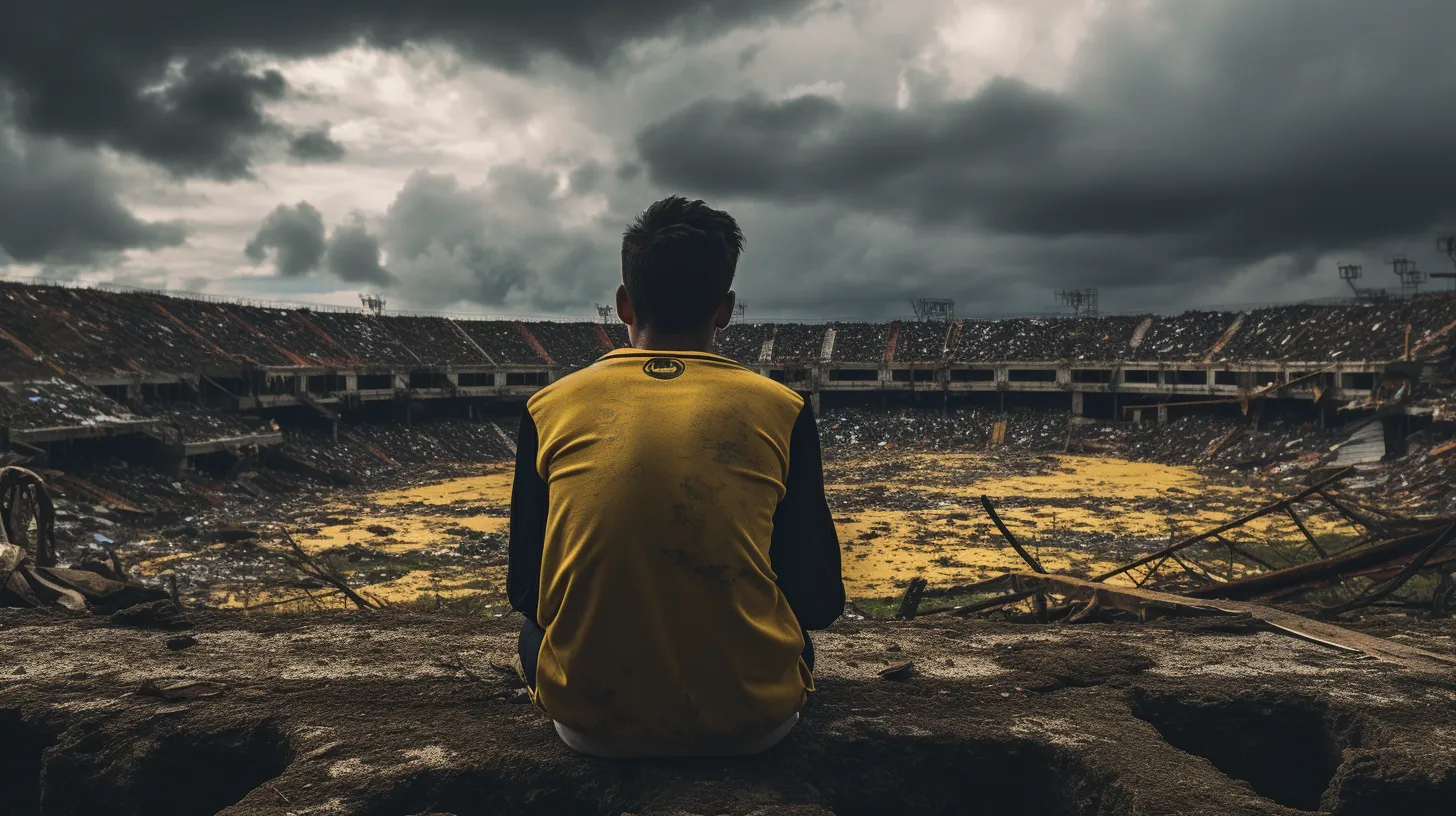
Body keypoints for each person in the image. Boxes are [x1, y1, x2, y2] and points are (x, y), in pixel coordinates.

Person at [508, 195, 845, 759]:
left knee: (533, 635)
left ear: (622, 303)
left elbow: (527, 590)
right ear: (725, 309)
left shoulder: (550, 407)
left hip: (591, 726)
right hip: (753, 724)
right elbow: (818, 603)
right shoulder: (781, 408)